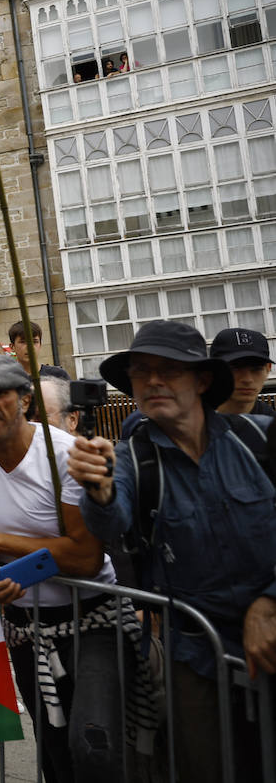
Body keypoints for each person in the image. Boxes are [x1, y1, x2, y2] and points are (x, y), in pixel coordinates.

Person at [69, 321, 276, 781]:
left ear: (202, 380)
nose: (153, 381)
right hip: (196, 656)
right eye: (142, 372)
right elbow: (112, 518)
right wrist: (98, 491)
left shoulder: (261, 440)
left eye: (169, 370)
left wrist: (269, 602)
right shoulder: (130, 459)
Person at [0, 355, 131, 783]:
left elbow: (84, 557)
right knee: (52, 751)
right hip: (25, 625)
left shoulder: (65, 453)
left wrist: (1, 547)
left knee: (94, 742)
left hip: (92, 618)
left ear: (26, 401)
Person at [210, 326, 275, 417]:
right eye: (235, 368)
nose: (247, 379)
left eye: (256, 369)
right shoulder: (190, 420)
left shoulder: (270, 425)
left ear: (268, 369)